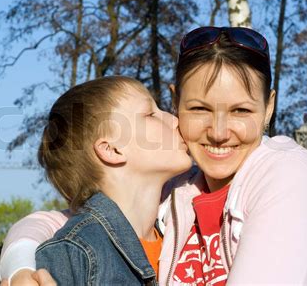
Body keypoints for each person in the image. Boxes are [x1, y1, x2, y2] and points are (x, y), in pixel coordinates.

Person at [0, 27, 307, 285]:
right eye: (199, 108)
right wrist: (19, 269)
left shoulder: (286, 173)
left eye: (241, 111)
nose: (218, 131)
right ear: (176, 103)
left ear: (269, 108)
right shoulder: (176, 195)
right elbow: (56, 225)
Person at [12, 76, 192, 285]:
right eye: (150, 114)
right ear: (112, 150)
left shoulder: (184, 229)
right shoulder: (77, 254)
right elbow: (38, 225)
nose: (176, 120)